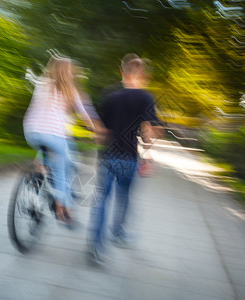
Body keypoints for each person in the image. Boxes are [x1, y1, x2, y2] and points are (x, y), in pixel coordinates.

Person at [88, 54, 159, 263]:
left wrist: (100, 150)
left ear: (122, 71)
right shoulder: (145, 97)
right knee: (125, 197)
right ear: (140, 73)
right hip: (129, 157)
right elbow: (147, 132)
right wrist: (148, 158)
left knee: (102, 201)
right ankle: (117, 232)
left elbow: (101, 130)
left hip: (108, 156)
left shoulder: (109, 94)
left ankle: (96, 246)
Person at [23, 55, 95, 227]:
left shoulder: (41, 84)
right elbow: (84, 114)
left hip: (31, 132)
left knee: (48, 148)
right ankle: (63, 213)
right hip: (54, 137)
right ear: (66, 72)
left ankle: (38, 172)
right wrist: (92, 128)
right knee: (62, 174)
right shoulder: (70, 90)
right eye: (70, 70)